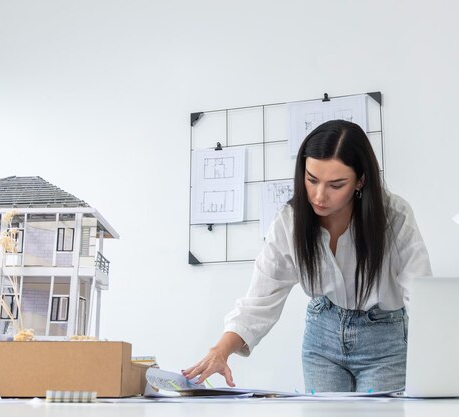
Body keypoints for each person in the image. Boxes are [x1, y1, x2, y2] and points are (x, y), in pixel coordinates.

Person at [184, 120, 432, 392]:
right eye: (312, 179)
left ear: (360, 181)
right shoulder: (289, 221)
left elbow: (421, 294)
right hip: (322, 337)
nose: (318, 195)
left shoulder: (394, 217)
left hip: (384, 338)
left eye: (336, 185)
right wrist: (221, 350)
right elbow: (261, 299)